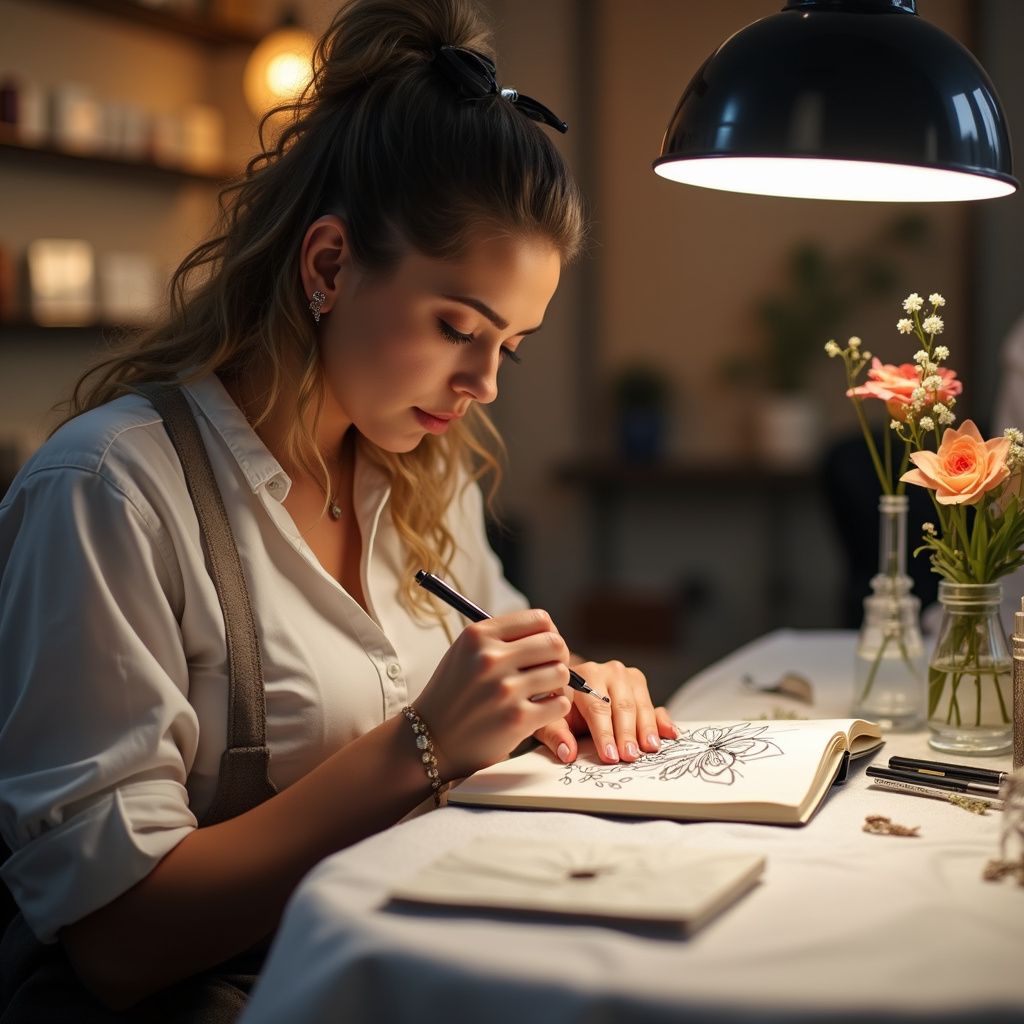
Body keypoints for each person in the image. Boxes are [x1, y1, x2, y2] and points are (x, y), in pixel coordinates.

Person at [0, 0, 677, 1018]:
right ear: (327, 266)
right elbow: (117, 940)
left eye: (511, 346)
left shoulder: (425, 473)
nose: (483, 384)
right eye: (458, 327)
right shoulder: (109, 492)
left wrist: (566, 689)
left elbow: (495, 673)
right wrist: (422, 744)